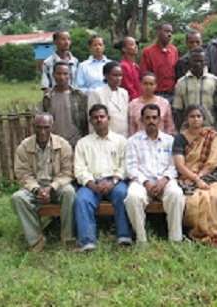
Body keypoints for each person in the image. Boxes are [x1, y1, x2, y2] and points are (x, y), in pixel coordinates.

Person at [11, 113, 75, 252]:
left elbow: (67, 172)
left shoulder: (63, 145)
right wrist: (36, 189)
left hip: (57, 186)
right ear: (33, 127)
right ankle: (36, 240)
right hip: (34, 188)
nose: (42, 131)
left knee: (69, 192)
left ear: (52, 127)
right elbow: (23, 174)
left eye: (46, 127)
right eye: (39, 127)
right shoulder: (24, 146)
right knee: (18, 198)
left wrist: (52, 187)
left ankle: (68, 238)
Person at [74, 104, 132, 251]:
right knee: (82, 199)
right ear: (91, 121)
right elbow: (79, 168)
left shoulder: (121, 141)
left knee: (123, 194)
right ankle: (87, 241)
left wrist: (114, 181)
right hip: (92, 183)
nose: (99, 120)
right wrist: (92, 184)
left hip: (115, 181)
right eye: (95, 117)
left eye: (102, 116)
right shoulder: (83, 143)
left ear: (108, 119)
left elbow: (126, 165)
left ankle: (124, 236)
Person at [124, 103, 185, 243]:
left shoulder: (170, 140)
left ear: (160, 120)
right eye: (148, 118)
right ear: (142, 120)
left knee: (176, 194)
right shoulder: (133, 141)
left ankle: (175, 239)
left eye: (154, 118)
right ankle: (141, 240)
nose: (151, 121)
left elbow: (174, 165)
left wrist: (164, 180)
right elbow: (131, 167)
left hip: (165, 180)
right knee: (133, 197)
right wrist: (146, 183)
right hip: (141, 182)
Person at [172, 104, 217, 245]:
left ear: (203, 118)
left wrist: (199, 177)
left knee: (214, 196)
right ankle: (199, 232)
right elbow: (180, 165)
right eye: (192, 116)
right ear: (186, 119)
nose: (196, 119)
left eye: (199, 116)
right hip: (187, 176)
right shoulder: (179, 138)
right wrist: (195, 179)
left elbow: (213, 162)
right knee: (194, 199)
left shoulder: (212, 136)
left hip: (211, 175)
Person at [173, 48, 217, 130]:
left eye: (201, 61)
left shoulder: (214, 81)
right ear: (190, 62)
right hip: (188, 129)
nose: (198, 64)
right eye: (195, 61)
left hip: (209, 128)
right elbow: (179, 109)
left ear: (205, 62)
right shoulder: (181, 82)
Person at [42, 62, 88, 148]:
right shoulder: (48, 98)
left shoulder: (79, 96)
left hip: (76, 142)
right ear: (53, 75)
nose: (62, 77)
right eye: (59, 74)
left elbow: (85, 121)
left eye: (65, 74)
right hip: (55, 143)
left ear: (69, 75)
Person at [140, 22, 179, 104]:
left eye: (171, 32)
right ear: (158, 32)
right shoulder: (148, 52)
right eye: (167, 31)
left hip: (173, 94)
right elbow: (145, 75)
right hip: (157, 94)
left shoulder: (174, 50)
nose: (170, 34)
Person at [87, 61, 129, 137]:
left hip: (124, 137)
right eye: (115, 75)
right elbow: (92, 119)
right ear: (106, 76)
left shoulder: (124, 93)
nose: (118, 78)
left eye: (120, 75)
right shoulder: (97, 94)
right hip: (105, 137)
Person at [117, 36, 142, 100]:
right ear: (124, 49)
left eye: (136, 44)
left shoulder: (136, 65)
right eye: (132, 45)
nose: (136, 46)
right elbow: (129, 89)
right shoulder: (124, 66)